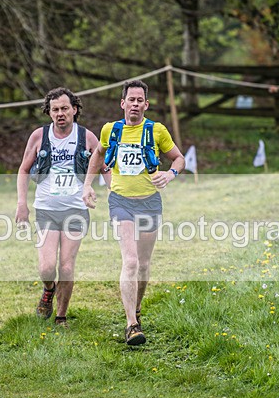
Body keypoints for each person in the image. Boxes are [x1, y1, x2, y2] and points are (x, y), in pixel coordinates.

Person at [82, 79, 185, 345]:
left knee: (144, 264)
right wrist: (87, 186)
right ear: (123, 103)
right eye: (131, 100)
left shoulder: (157, 130)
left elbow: (179, 158)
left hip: (150, 202)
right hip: (121, 203)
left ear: (146, 105)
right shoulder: (110, 130)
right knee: (130, 262)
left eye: (140, 100)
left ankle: (136, 308)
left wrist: (170, 174)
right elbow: (97, 155)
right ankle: (131, 325)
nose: (135, 104)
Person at [15, 87, 105, 326]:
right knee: (46, 267)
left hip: (75, 209)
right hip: (46, 209)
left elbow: (103, 166)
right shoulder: (38, 136)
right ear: (49, 112)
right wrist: (21, 204)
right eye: (55, 110)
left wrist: (103, 189)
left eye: (65, 108)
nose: (60, 113)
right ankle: (48, 289)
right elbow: (24, 169)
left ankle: (61, 316)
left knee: (66, 266)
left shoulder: (86, 137)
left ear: (74, 110)